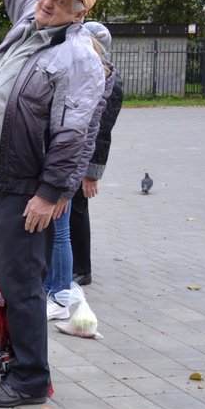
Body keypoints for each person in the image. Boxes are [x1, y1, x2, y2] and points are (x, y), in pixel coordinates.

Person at [0, 0, 106, 407]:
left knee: (25, 283)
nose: (47, 1)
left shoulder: (79, 57)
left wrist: (51, 194)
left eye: (60, 1)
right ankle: (5, 358)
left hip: (29, 186)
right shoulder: (31, 21)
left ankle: (31, 379)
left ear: (78, 14)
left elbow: (76, 134)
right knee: (3, 278)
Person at [45, 27, 117, 319]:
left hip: (70, 166)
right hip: (65, 163)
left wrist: (88, 174)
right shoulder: (83, 73)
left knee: (62, 229)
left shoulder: (97, 79)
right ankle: (56, 286)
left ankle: (62, 291)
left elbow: (94, 135)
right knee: (58, 228)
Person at [70, 34, 124, 287]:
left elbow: (102, 132)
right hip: (72, 156)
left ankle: (82, 269)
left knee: (77, 210)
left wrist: (92, 173)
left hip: (84, 159)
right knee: (70, 211)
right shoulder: (90, 73)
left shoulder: (108, 80)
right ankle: (71, 264)